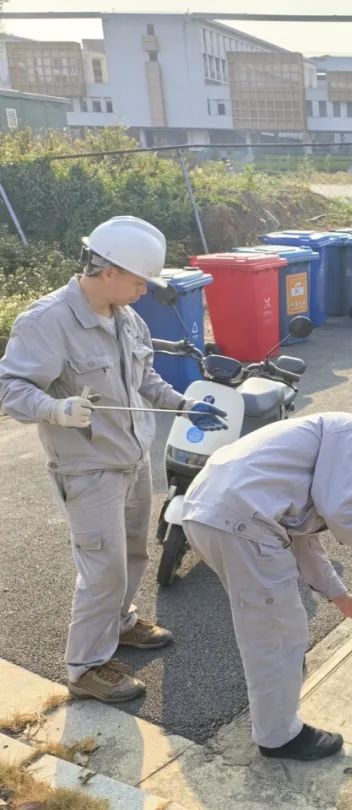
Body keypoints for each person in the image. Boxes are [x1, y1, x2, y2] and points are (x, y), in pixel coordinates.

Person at [0, 216, 226, 704]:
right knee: (102, 569)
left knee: (132, 555)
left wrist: (184, 404)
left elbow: (145, 380)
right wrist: (55, 409)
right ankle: (85, 668)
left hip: (132, 458)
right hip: (86, 467)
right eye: (140, 281)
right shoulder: (47, 321)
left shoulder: (127, 318)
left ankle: (120, 622)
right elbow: (10, 388)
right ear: (108, 272)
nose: (144, 290)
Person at [181, 413, 352, 761]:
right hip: (241, 522)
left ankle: (275, 713)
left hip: (211, 515)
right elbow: (340, 508)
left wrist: (341, 597)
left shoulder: (320, 459)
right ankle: (279, 736)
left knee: (271, 627)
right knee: (277, 633)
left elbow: (302, 540)